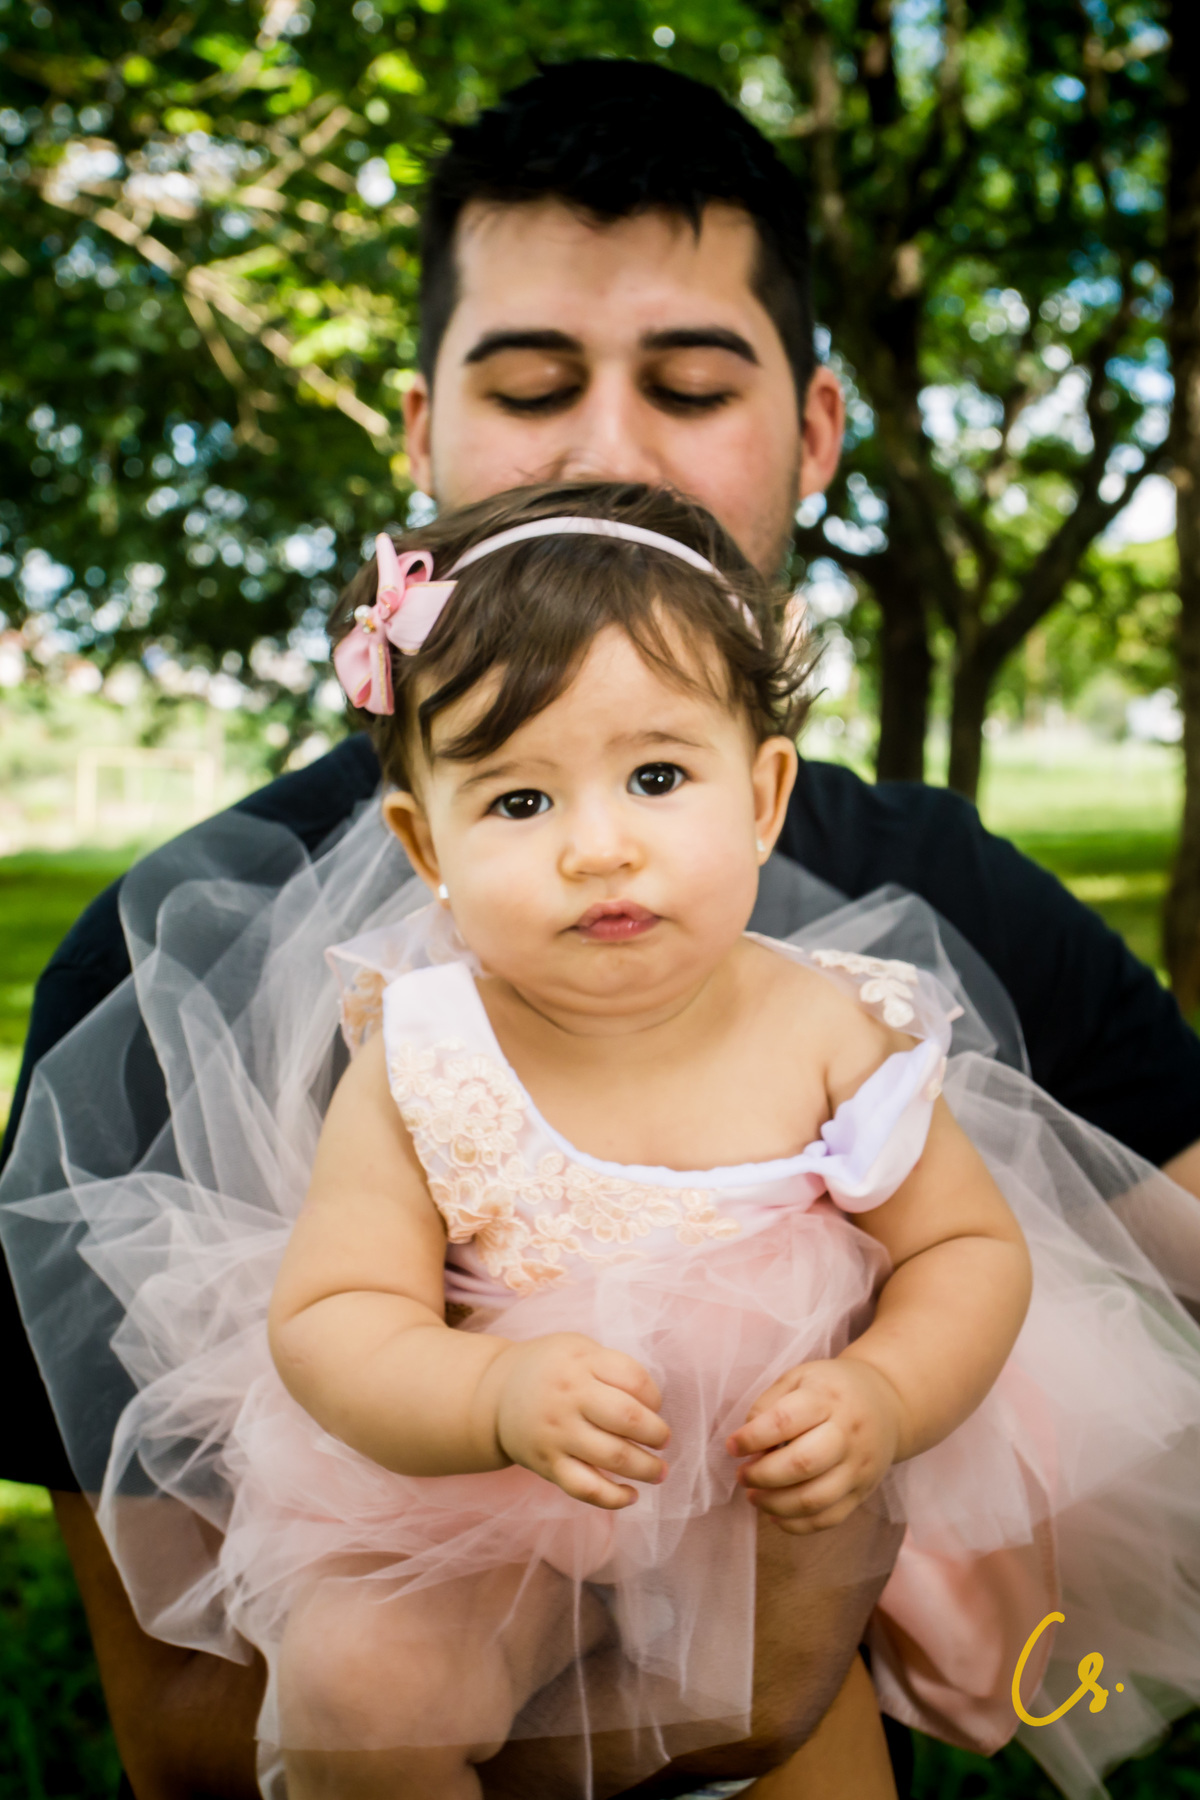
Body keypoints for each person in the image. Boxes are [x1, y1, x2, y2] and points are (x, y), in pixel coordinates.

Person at [3, 54, 1200, 1800]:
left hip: (786, 1544)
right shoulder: (221, 971)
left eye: (695, 383)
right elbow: (194, 1743)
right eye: (532, 379)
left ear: (815, 433)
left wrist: (880, 1412)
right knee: (367, 1679)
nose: (609, 448)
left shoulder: (906, 928)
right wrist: (763, 1677)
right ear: (421, 435)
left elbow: (999, 1248)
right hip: (461, 1576)